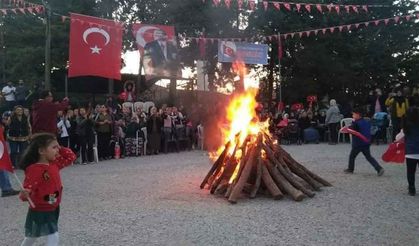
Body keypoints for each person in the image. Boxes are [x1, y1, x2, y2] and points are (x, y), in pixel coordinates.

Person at [19, 133, 76, 246]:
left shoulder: (55, 164)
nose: (57, 150)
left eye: (57, 147)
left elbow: (71, 157)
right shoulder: (34, 169)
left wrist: (60, 148)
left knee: (32, 236)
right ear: (41, 151)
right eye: (54, 147)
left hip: (53, 206)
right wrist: (24, 195)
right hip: (41, 209)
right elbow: (28, 189)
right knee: (52, 235)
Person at [344, 108, 385, 176]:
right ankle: (379, 168)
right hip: (366, 142)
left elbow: (352, 131)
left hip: (358, 143)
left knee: (352, 156)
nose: (352, 115)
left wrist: (347, 128)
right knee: (369, 157)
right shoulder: (366, 122)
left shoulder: (356, 123)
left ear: (358, 115)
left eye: (354, 114)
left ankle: (350, 169)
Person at [397, 106, 419, 196]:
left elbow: (398, 138)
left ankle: (412, 189)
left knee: (410, 172)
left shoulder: (406, 125)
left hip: (411, 152)